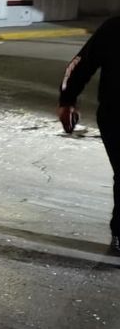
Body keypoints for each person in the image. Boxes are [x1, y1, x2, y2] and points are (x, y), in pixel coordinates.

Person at [57, 16, 120, 252]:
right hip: (116, 115)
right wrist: (67, 100)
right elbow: (80, 64)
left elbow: (78, 65)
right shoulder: (114, 27)